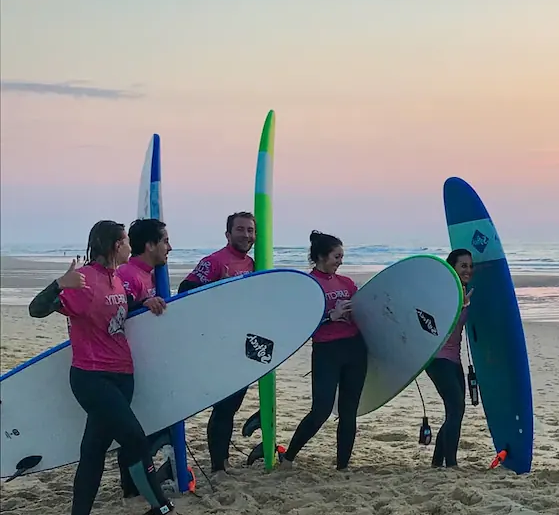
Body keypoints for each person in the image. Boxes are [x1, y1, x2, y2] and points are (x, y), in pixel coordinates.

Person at [26, 221, 175, 515]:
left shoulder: (117, 279)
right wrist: (59, 284)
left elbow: (121, 304)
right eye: (125, 242)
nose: (130, 246)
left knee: (93, 449)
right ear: (115, 246)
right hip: (92, 378)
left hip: (122, 375)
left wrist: (144, 300)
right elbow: (35, 309)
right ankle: (161, 508)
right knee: (135, 438)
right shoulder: (84, 280)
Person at [272, 232, 368, 470]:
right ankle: (289, 457)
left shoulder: (346, 283)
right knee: (321, 410)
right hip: (327, 351)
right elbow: (299, 324)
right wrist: (330, 316)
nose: (340, 261)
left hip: (354, 349)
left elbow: (365, 315)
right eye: (337, 256)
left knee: (349, 412)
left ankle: (342, 466)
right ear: (321, 256)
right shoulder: (308, 286)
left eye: (342, 256)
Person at [178, 212, 256, 474]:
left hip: (240, 343)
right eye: (241, 229)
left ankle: (221, 462)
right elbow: (185, 289)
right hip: (218, 344)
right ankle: (218, 466)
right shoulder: (214, 262)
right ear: (228, 234)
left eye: (250, 230)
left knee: (232, 406)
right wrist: (218, 290)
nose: (246, 235)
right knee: (223, 407)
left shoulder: (252, 264)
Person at [113, 218, 174, 498]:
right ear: (149, 245)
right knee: (132, 430)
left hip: (144, 363)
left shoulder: (151, 274)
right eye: (164, 241)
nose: (169, 248)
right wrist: (140, 304)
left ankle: (137, 485)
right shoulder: (128, 273)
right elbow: (113, 313)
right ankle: (132, 487)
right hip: (122, 364)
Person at [426, 248, 473, 467]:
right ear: (452, 267)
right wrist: (460, 306)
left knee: (456, 410)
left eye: (470, 266)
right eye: (463, 266)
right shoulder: (444, 292)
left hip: (454, 358)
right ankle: (451, 464)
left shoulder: (464, 291)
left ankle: (437, 462)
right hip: (437, 358)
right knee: (455, 408)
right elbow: (435, 324)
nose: (468, 270)